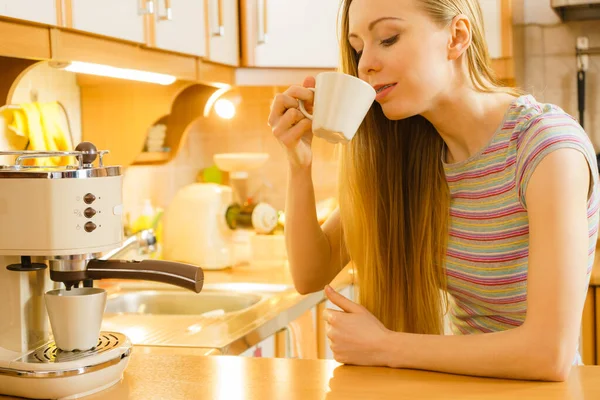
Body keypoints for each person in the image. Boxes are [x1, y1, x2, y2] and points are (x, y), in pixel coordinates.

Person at [267, 0, 599, 382]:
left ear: (456, 37)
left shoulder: (544, 148)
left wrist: (384, 346)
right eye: (359, 47)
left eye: (387, 38)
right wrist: (298, 166)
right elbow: (311, 273)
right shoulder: (414, 152)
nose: (364, 65)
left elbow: (548, 353)